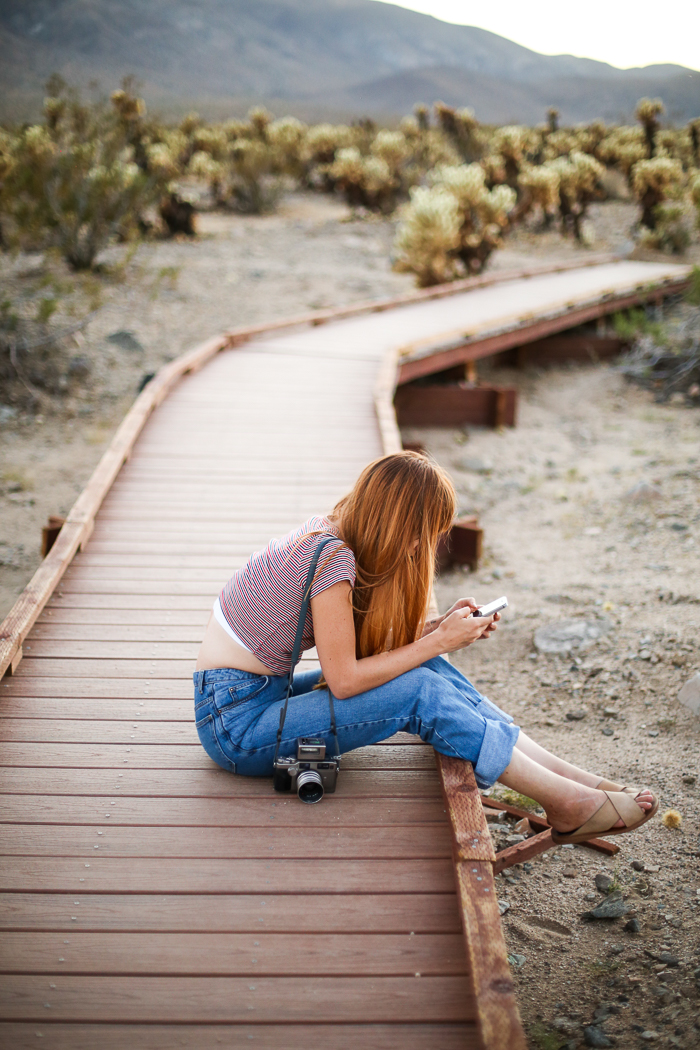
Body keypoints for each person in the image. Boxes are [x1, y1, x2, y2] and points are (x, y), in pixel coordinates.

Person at [194, 451, 656, 843]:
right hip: (236, 726)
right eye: (423, 531)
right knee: (419, 690)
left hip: (251, 697)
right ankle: (567, 802)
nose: (421, 546)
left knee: (427, 667)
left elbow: (352, 654)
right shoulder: (331, 557)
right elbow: (346, 678)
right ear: (400, 523)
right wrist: (437, 639)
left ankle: (573, 780)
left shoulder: (331, 534)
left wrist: (438, 630)